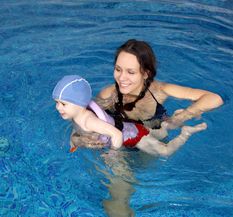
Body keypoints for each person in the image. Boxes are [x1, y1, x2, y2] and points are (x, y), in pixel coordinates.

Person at [52, 75, 208, 157]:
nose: (58, 107)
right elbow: (77, 129)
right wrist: (73, 142)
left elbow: (117, 134)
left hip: (134, 136)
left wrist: (113, 153)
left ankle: (185, 133)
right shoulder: (75, 114)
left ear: (79, 104)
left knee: (165, 151)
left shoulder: (89, 120)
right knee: (161, 133)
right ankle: (168, 123)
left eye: (63, 104)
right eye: (57, 102)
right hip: (133, 128)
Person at [95, 39, 223, 131]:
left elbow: (214, 99)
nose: (121, 77)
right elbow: (87, 116)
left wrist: (182, 116)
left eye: (131, 72)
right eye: (118, 69)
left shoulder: (160, 91)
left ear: (145, 73)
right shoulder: (108, 94)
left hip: (152, 142)